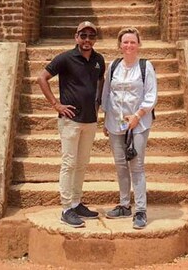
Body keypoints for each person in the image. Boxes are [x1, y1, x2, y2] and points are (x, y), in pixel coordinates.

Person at [35, 21, 105, 228]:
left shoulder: (99, 60)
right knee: (69, 163)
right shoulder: (66, 58)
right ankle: (66, 208)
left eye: (91, 36)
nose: (87, 40)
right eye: (83, 36)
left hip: (90, 120)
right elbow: (42, 78)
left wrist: (98, 103)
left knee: (82, 163)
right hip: (70, 120)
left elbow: (101, 82)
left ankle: (76, 202)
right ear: (76, 37)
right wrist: (56, 104)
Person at [101, 26, 157, 230]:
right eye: (125, 42)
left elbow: (151, 95)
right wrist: (106, 119)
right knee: (120, 165)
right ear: (120, 45)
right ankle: (124, 204)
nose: (129, 45)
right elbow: (107, 93)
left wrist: (138, 115)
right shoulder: (114, 65)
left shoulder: (145, 66)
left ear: (138, 44)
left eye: (132, 42)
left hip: (138, 123)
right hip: (116, 122)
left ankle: (140, 209)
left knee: (137, 166)